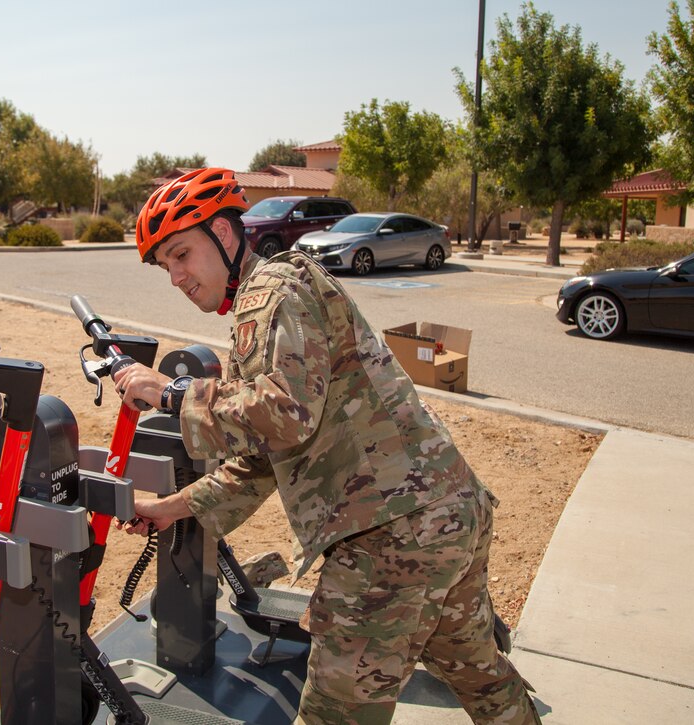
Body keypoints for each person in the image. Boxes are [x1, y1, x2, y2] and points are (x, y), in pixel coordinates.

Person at [113, 168, 541, 725]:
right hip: (446, 512)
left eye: (181, 254)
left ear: (223, 233)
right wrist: (171, 508)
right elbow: (266, 453)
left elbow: (285, 413)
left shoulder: (268, 290)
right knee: (478, 672)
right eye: (165, 265)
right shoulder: (282, 289)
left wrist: (170, 392)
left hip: (390, 540)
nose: (175, 276)